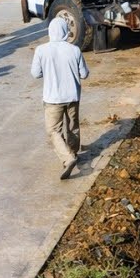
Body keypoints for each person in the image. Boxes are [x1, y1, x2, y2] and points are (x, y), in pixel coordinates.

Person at [31, 15, 89, 180]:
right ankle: (73, 153)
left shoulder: (41, 50)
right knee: (72, 127)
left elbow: (35, 74)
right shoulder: (74, 50)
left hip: (52, 98)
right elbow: (84, 74)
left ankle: (67, 157)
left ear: (50, 31)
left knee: (53, 130)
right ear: (66, 31)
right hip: (72, 96)